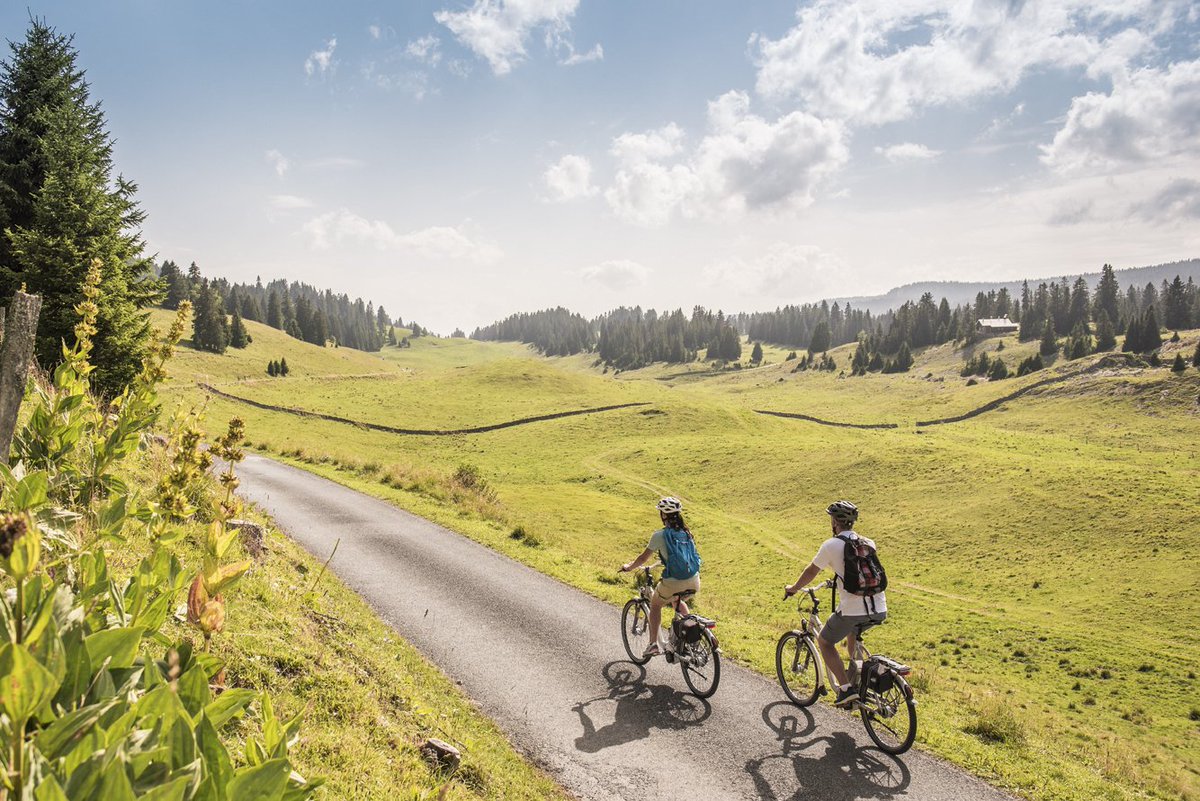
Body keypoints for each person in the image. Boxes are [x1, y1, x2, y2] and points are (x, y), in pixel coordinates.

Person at [784, 500, 887, 708]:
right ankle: (857, 679)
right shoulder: (868, 542)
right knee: (852, 635)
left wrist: (794, 588)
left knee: (825, 641)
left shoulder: (831, 545)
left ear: (834, 522)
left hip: (853, 610)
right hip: (879, 608)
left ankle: (846, 689)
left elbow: (812, 571)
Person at [619, 497, 701, 657]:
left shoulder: (660, 535)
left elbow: (643, 559)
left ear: (664, 515)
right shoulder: (686, 532)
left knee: (656, 605)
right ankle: (690, 638)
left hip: (674, 582)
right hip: (694, 580)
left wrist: (629, 567)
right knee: (677, 601)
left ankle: (653, 645)